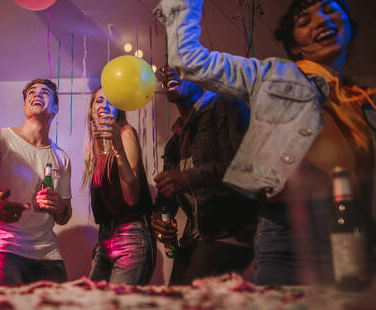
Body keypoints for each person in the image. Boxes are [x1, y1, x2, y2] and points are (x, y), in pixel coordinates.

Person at [155, 0, 376, 285]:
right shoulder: (273, 76)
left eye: (330, 9)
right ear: (294, 46)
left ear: (348, 23)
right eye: (304, 20)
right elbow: (188, 59)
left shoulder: (365, 102)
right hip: (289, 235)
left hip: (354, 231)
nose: (321, 20)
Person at [152, 66, 257, 285]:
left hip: (229, 233)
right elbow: (166, 199)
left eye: (179, 67)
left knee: (190, 306)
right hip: (194, 239)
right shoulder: (175, 142)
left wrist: (190, 178)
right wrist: (160, 219)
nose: (170, 72)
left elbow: (250, 170)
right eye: (166, 68)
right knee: (173, 305)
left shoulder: (228, 106)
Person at [0, 79, 72, 285]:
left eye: (45, 92)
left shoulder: (62, 158)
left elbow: (65, 215)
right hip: (3, 248)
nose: (37, 94)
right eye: (31, 92)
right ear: (24, 107)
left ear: (55, 108)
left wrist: (59, 207)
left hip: (48, 254)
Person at [83, 87, 154, 285]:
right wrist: (101, 244)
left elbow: (131, 196)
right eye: (99, 101)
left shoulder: (125, 133)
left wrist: (118, 147)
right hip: (106, 237)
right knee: (94, 306)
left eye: (111, 101)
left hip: (131, 235)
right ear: (91, 109)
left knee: (119, 308)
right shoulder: (94, 147)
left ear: (118, 110)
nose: (104, 106)